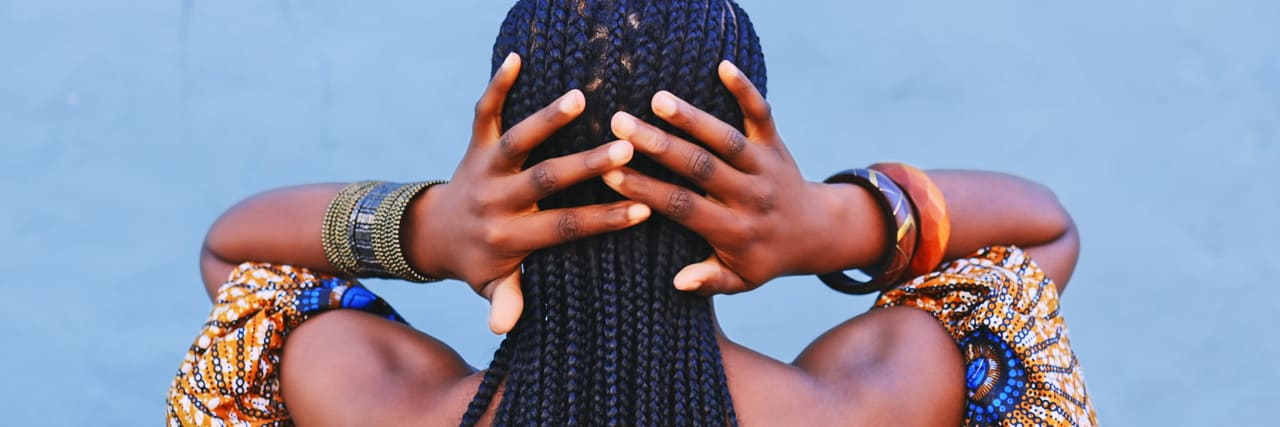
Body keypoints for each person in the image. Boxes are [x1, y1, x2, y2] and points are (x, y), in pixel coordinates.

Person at [166, 1, 1096, 426]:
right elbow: (1042, 226)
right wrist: (836, 224)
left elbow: (234, 248)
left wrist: (429, 229)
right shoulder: (881, 399)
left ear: (505, 169)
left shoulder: (368, 398)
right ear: (746, 177)